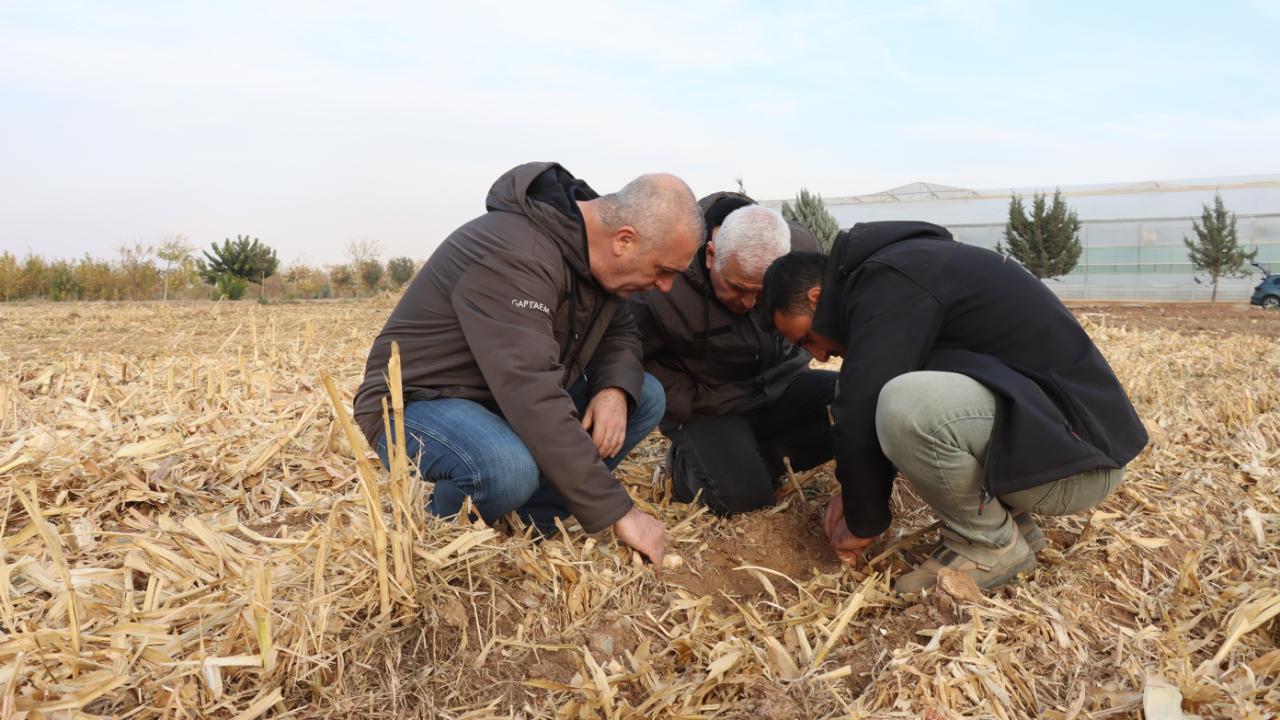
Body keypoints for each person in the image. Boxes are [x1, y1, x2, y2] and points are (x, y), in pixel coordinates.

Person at [760, 221, 1148, 593]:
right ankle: (1010, 526)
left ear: (816, 297)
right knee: (896, 390)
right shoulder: (903, 270)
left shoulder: (891, 282)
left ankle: (990, 546)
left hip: (1077, 467)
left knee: (904, 405)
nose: (819, 356)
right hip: (1067, 447)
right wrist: (856, 491)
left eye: (807, 339)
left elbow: (861, 407)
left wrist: (863, 520)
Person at [353, 162, 704, 567]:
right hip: (417, 403)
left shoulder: (591, 254)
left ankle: (530, 521)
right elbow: (531, 394)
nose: (665, 286)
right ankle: (438, 534)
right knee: (505, 467)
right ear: (624, 240)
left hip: (495, 399)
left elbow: (621, 332)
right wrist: (619, 512)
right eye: (663, 270)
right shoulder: (516, 254)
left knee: (643, 394)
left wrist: (613, 390)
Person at [629, 193, 837, 515]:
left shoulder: (799, 254)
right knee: (746, 502)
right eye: (738, 288)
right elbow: (631, 354)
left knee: (854, 402)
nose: (749, 303)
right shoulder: (663, 280)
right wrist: (690, 402)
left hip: (779, 386)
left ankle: (751, 459)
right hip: (711, 406)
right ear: (711, 255)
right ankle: (685, 467)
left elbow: (812, 325)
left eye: (761, 292)